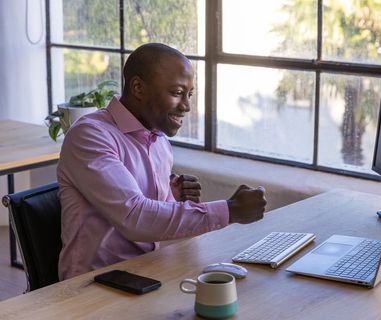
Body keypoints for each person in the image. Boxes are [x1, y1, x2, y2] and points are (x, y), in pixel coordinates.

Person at [57, 43, 267, 280]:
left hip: (145, 271)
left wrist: (170, 195)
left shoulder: (158, 140)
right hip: (91, 287)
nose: (187, 106)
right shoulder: (90, 135)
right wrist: (230, 210)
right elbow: (134, 217)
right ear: (138, 87)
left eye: (189, 94)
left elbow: (150, 215)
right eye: (177, 93)